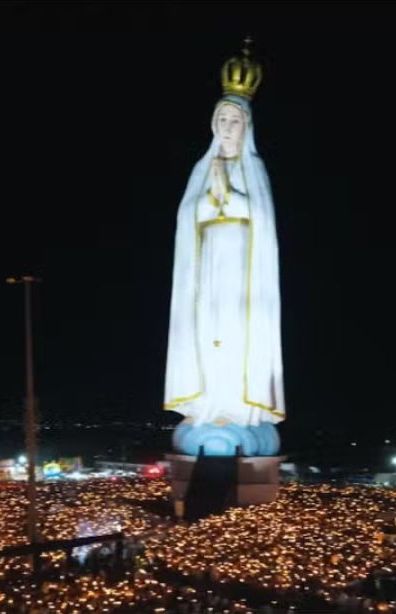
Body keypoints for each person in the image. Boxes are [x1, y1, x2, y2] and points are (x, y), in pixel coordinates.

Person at [164, 43, 284, 456]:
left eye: (234, 120)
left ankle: (237, 410)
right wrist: (209, 197)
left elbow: (262, 221)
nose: (227, 127)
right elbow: (186, 218)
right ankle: (206, 406)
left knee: (236, 337)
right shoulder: (203, 169)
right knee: (206, 334)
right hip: (207, 274)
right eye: (221, 119)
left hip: (242, 278)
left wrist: (227, 196)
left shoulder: (254, 170)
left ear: (246, 125)